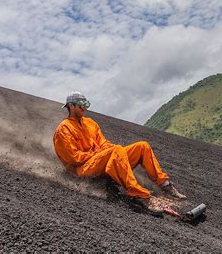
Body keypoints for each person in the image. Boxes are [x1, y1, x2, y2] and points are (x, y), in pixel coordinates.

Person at [53, 91, 186, 216]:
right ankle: (140, 196)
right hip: (82, 169)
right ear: (71, 106)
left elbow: (103, 144)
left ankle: (165, 185)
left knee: (142, 146)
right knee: (115, 150)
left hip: (100, 161)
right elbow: (73, 158)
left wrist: (115, 152)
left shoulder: (90, 123)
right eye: (81, 104)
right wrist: (104, 153)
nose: (84, 108)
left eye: (86, 104)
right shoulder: (64, 129)